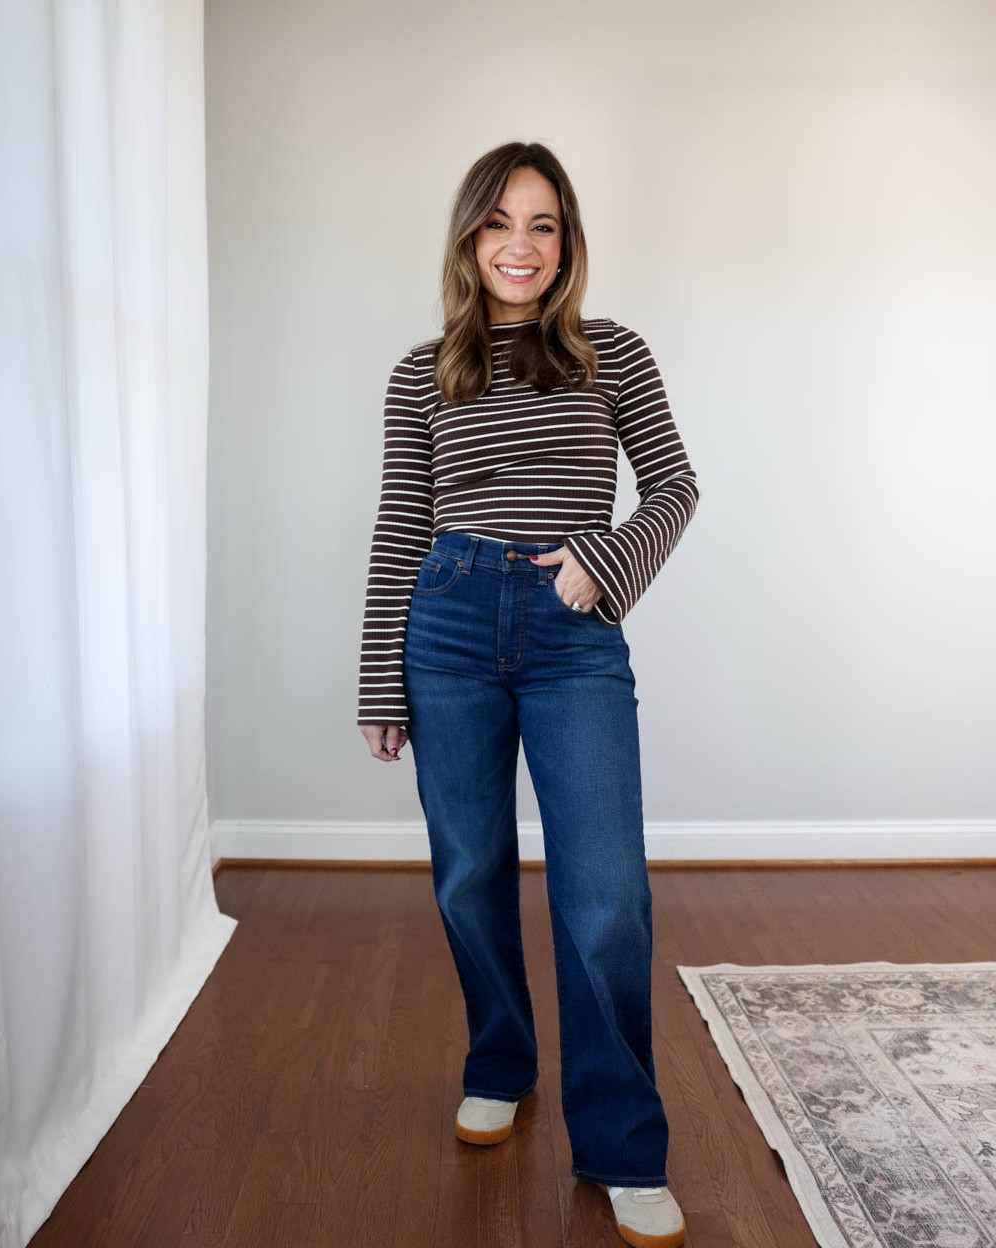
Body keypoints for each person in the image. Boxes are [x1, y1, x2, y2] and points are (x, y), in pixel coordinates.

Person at [358, 141, 698, 1248]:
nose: (521, 243)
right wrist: (378, 679)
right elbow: (401, 530)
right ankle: (499, 1061)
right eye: (500, 222)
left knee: (604, 895)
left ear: (567, 243)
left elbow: (676, 485)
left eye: (543, 223)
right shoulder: (424, 371)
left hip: (571, 630)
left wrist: (604, 561)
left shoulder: (615, 354)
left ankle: (622, 1144)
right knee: (468, 876)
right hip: (447, 622)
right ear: (469, 239)